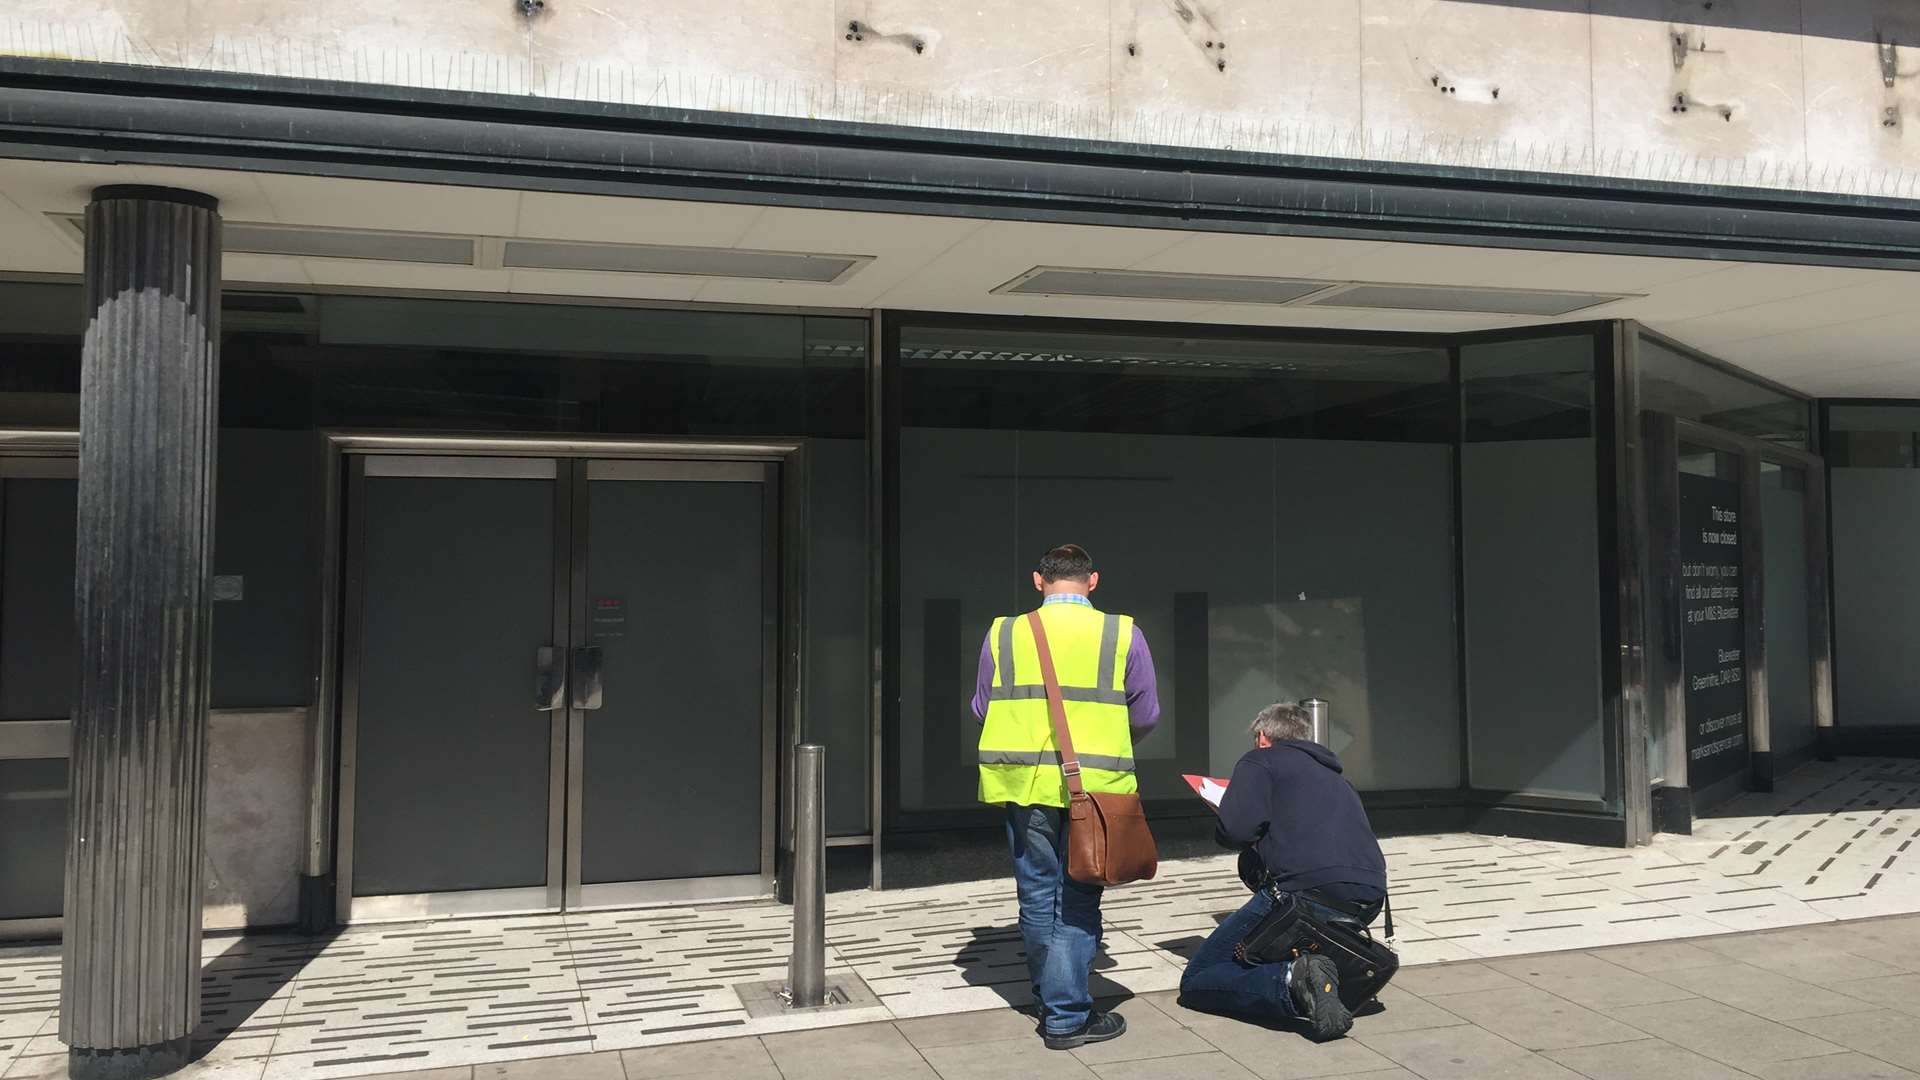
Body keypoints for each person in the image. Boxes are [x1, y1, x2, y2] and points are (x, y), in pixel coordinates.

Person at [972, 544, 1160, 1050]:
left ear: (1039, 580)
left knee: (1037, 891)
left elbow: (983, 705)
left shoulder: (1003, 632)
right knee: (1078, 891)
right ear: (1093, 581)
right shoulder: (1123, 632)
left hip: (1020, 782)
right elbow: (1144, 714)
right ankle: (1067, 1015)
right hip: (1096, 787)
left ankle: (1049, 993)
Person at [1178, 702, 1388, 1042]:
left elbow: (1236, 831)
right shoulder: (1338, 779)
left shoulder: (1259, 761)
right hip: (1369, 895)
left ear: (1263, 737)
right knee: (1280, 937)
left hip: (1306, 893)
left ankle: (1293, 982)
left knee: (1200, 978)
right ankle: (1324, 979)